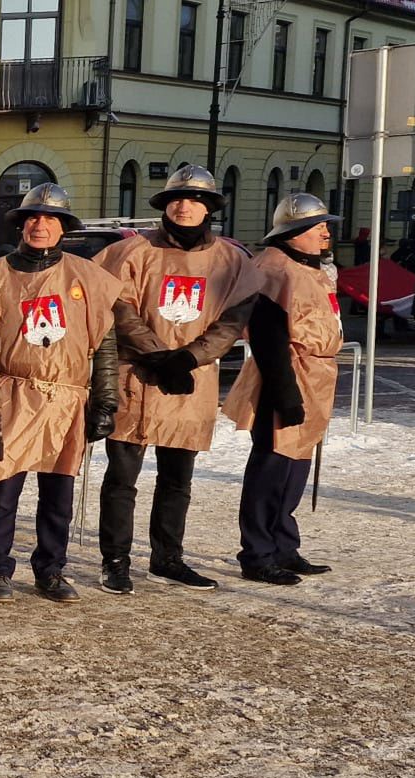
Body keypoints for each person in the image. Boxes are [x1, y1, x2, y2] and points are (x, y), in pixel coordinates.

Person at [92, 164, 268, 594]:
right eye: (177, 199)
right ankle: (115, 559)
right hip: (138, 374)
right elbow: (118, 306)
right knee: (122, 477)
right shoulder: (133, 252)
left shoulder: (230, 259)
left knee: (177, 478)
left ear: (209, 207)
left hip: (190, 380)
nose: (185, 207)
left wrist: (188, 358)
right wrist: (157, 354)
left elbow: (234, 318)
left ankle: (167, 556)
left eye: (195, 200)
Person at [0, 183, 130, 602]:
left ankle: (51, 568)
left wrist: (105, 400)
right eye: (32, 217)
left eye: (50, 218)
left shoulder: (88, 277)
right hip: (13, 393)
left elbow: (105, 344)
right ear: (22, 224)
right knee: (3, 488)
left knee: (58, 492)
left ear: (63, 227)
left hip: (67, 397)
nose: (40, 225)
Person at [224, 194, 338, 584]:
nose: (326, 232)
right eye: (318, 225)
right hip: (287, 375)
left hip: (314, 375)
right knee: (271, 466)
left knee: (295, 466)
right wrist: (284, 394)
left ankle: (284, 546)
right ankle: (257, 553)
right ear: (294, 232)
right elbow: (269, 339)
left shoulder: (306, 266)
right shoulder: (274, 269)